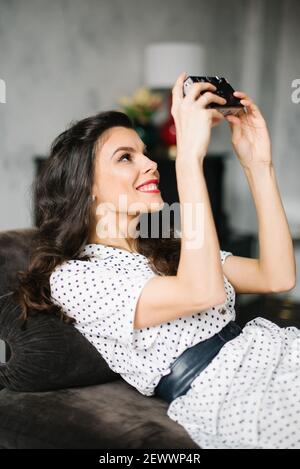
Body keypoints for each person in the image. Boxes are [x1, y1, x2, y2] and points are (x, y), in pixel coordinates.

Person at [15, 72, 299, 449]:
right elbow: (203, 293)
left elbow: (276, 277)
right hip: (232, 393)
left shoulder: (168, 245)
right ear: (87, 187)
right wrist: (187, 160)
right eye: (126, 157)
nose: (149, 165)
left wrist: (258, 165)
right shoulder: (73, 277)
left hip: (275, 353)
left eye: (145, 154)